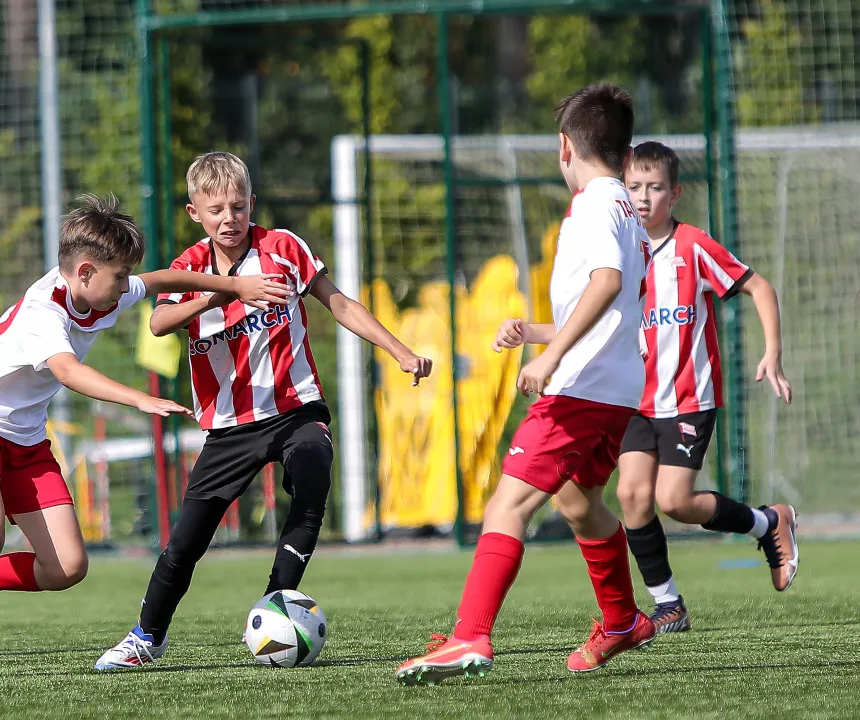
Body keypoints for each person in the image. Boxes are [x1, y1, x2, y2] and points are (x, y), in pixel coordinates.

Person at [0, 193, 294, 680]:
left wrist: (233, 286)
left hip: (24, 439)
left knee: (65, 567)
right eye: (119, 278)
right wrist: (139, 399)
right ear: (85, 271)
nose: (126, 287)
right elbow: (67, 372)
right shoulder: (43, 313)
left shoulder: (102, 286)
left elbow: (164, 281)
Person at [94, 151, 432, 671]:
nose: (228, 219)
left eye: (237, 206)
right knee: (184, 543)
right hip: (230, 427)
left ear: (252, 202)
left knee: (313, 475)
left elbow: (338, 302)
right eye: (216, 210)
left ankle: (277, 604)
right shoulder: (190, 267)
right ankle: (147, 637)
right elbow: (160, 324)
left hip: (296, 408)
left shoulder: (284, 248)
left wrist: (399, 350)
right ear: (195, 214)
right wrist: (222, 295)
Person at [396, 83, 655, 685]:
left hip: (579, 386)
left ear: (565, 147)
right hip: (615, 387)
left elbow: (608, 283)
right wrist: (538, 332)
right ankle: (621, 620)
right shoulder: (624, 208)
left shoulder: (594, 205)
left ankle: (470, 636)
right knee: (578, 503)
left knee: (506, 504)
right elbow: (607, 303)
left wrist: (549, 359)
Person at [616, 140, 797, 634]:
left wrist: (772, 352)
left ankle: (768, 523)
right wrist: (536, 335)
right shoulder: (621, 252)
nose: (643, 197)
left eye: (655, 188)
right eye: (634, 187)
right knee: (632, 495)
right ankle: (668, 603)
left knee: (673, 501)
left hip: (689, 400)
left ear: (675, 195)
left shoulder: (692, 246)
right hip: (635, 402)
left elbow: (759, 286)